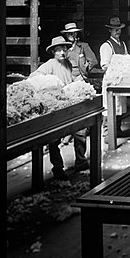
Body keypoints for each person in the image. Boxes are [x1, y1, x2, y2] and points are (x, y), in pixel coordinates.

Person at [29, 36, 82, 179]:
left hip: (68, 102)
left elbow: (70, 80)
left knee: (80, 131)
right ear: (53, 52)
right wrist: (52, 83)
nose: (62, 53)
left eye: (64, 49)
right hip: (56, 104)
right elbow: (35, 76)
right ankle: (57, 168)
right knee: (54, 139)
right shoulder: (50, 64)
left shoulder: (68, 64)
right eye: (58, 50)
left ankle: (81, 162)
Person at [61, 21, 97, 171]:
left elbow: (93, 61)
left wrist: (84, 72)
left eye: (74, 33)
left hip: (80, 84)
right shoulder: (62, 49)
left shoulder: (83, 46)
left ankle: (80, 161)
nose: (72, 35)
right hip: (65, 85)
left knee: (81, 124)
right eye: (69, 33)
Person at [99, 16, 129, 136]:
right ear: (109, 30)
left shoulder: (122, 44)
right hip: (111, 80)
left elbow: (127, 58)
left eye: (119, 29)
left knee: (120, 106)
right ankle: (107, 133)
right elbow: (104, 65)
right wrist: (117, 67)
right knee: (109, 107)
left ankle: (117, 130)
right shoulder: (106, 46)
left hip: (121, 80)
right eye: (114, 29)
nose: (117, 31)